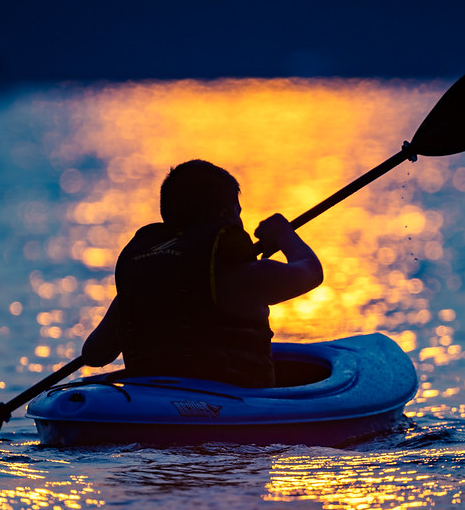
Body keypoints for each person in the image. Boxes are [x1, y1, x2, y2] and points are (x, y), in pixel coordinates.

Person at [81, 159, 323, 387]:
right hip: (225, 408)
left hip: (152, 402)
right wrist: (284, 234)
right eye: (238, 214)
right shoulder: (241, 278)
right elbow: (311, 271)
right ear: (225, 216)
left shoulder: (141, 287)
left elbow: (94, 354)